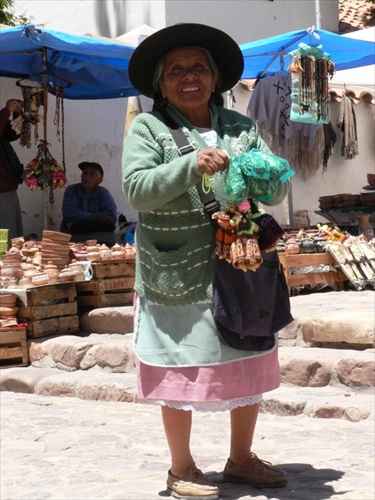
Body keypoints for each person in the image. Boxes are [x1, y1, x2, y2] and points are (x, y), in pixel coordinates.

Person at [122, 23, 291, 500]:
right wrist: (189, 165)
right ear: (161, 83)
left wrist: (266, 176)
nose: (189, 76)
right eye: (177, 69)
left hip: (240, 266)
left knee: (247, 354)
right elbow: (136, 189)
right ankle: (182, 468)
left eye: (199, 67)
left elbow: (275, 189)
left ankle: (240, 460)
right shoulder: (150, 129)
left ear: (215, 79)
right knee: (176, 363)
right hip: (176, 273)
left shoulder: (241, 128)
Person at [61, 161, 119, 246]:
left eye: (92, 174)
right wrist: (94, 216)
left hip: (100, 236)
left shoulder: (104, 193)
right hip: (74, 234)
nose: (87, 177)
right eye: (85, 173)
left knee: (112, 243)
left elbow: (111, 218)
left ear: (100, 180)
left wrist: (82, 217)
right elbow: (68, 213)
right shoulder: (72, 190)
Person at [0, 99, 24, 242]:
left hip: (7, 188)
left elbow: (11, 134)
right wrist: (6, 111)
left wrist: (17, 115)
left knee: (10, 235)